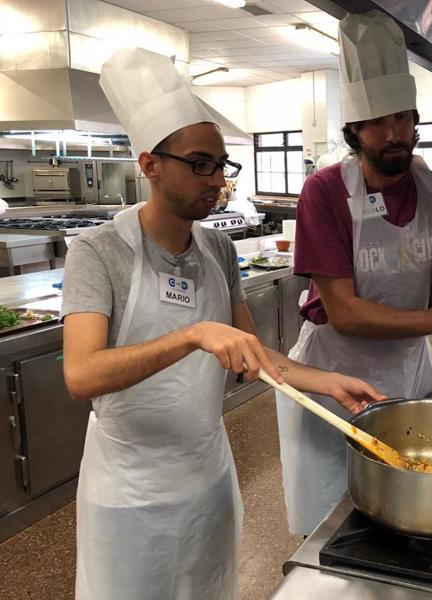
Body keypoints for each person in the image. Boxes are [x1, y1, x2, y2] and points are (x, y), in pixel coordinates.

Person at [62, 48, 384, 600]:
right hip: (130, 492)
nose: (217, 180)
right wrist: (191, 335)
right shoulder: (99, 252)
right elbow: (81, 375)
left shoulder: (215, 245)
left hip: (208, 474)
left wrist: (326, 381)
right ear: (151, 165)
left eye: (221, 164)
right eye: (200, 164)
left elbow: (255, 354)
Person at [277, 10, 432, 537]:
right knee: (335, 528)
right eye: (379, 122)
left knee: (408, 511)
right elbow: (342, 312)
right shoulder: (324, 193)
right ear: (354, 130)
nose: (395, 134)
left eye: (404, 118)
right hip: (333, 376)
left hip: (406, 374)